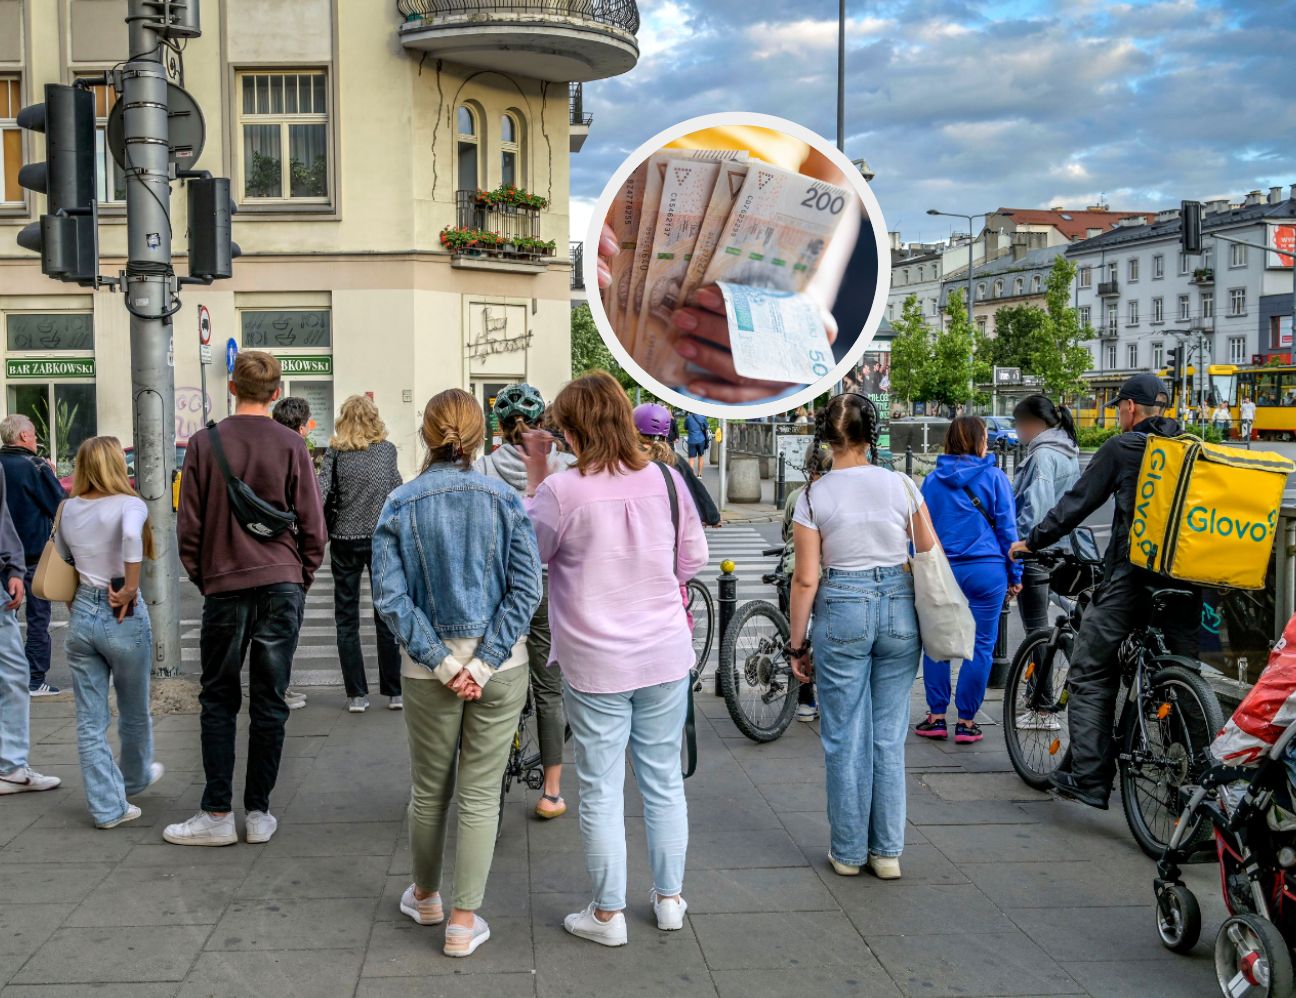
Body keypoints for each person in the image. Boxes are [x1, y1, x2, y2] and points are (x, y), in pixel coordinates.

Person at [520, 371, 707, 946]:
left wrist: (535, 471)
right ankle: (670, 900)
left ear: (573, 432)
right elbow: (691, 562)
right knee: (663, 782)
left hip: (596, 661)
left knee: (600, 786)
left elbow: (531, 555)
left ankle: (607, 915)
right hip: (664, 652)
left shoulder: (561, 491)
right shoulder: (668, 481)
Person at [370, 388, 541, 958]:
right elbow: (526, 590)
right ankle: (463, 924)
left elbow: (391, 600)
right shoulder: (507, 498)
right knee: (480, 793)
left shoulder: (399, 502)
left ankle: (425, 898)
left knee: (428, 791)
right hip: (501, 669)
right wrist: (486, 661)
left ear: (426, 435)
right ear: (480, 437)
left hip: (426, 672)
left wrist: (445, 665)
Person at [1011, 373, 1199, 810]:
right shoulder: (1190, 447)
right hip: (1187, 584)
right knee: (1179, 672)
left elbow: (1077, 503)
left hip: (1132, 580)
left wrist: (1033, 541)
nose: (1117, 415)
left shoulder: (1125, 447)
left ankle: (1089, 777)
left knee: (1090, 667)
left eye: (1118, 408)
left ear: (1131, 409)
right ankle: (1195, 781)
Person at [168, 351, 327, 847]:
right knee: (269, 698)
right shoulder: (291, 444)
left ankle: (216, 812)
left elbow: (187, 527)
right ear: (277, 393)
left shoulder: (202, 444)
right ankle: (258, 812)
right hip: (281, 583)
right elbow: (312, 524)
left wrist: (205, 577)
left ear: (232, 388)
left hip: (224, 584)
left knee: (217, 697)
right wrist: (300, 576)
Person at [789, 392, 937, 880]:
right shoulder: (901, 484)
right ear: (871, 434)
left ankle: (849, 852)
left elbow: (806, 578)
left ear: (826, 437)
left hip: (843, 609)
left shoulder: (813, 496)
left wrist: (796, 642)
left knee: (844, 736)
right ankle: (887, 852)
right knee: (889, 736)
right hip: (899, 606)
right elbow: (928, 551)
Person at [473, 384, 574, 819]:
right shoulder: (566, 468)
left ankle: (486, 779)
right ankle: (552, 792)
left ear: (500, 425)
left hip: (499, 590)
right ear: (542, 422)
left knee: (493, 679)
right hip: (548, 589)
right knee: (549, 691)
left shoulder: (481, 469)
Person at [57, 437, 164, 828]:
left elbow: (66, 559)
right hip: (123, 612)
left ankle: (106, 808)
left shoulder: (67, 508)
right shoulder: (130, 504)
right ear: (117, 465)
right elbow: (133, 538)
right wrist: (130, 587)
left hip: (82, 611)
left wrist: (79, 604)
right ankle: (134, 777)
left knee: (90, 719)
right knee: (134, 708)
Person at [914, 417, 1021, 744]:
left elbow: (919, 533)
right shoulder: (995, 478)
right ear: (979, 442)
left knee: (938, 644)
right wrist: (1016, 575)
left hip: (944, 571)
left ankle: (935, 717)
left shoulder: (932, 482)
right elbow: (1008, 531)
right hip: (986, 572)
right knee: (981, 647)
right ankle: (966, 721)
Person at [319, 395, 404, 713]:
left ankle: (357, 695)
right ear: (373, 418)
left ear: (344, 419)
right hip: (381, 539)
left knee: (346, 618)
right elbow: (395, 489)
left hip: (344, 540)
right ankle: (394, 691)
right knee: (384, 613)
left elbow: (322, 490)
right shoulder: (388, 450)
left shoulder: (336, 453)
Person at [0, 462, 60, 797]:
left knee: (12, 672)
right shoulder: (32, 467)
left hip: (9, 575)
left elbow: (2, 519)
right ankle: (10, 766)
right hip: (24, 564)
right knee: (12, 673)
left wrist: (12, 566)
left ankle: (11, 765)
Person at [0, 414, 66, 696]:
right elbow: (60, 508)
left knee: (6, 621)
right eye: (35, 435)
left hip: (3, 558)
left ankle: (8, 680)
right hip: (34, 557)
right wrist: (51, 474)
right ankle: (34, 679)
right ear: (24, 437)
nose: (37, 440)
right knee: (39, 619)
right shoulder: (35, 466)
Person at [1011, 396, 1081, 634]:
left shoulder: (1042, 456)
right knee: (1050, 623)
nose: (1017, 430)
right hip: (1061, 548)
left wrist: (1017, 544)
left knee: (1036, 629)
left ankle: (1043, 672)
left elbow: (1035, 509)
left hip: (1037, 553)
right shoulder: (1067, 452)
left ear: (1035, 424)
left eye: (1018, 424)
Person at [271, 396, 317, 711]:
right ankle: (278, 691)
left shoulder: (263, 445)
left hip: (249, 559)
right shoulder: (296, 449)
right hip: (287, 558)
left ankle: (270, 689)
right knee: (285, 631)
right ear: (301, 426)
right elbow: (311, 517)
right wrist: (308, 570)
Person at [634, 403, 721, 527]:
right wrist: (712, 516)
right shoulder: (674, 459)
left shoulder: (628, 458)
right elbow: (695, 487)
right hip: (671, 525)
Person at [684, 411, 709, 476]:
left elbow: (685, 427)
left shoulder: (688, 418)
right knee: (701, 457)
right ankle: (699, 474)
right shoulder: (703, 417)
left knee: (691, 458)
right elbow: (706, 427)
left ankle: (692, 475)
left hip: (691, 440)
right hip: (701, 440)